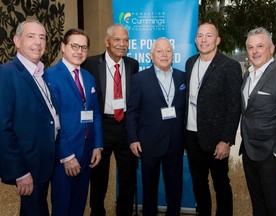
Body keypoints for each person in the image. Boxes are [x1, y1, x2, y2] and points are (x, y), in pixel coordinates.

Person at [0, 20, 60, 216]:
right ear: (17, 41)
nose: (38, 42)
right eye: (31, 36)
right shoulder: (7, 74)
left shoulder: (39, 73)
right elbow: (3, 128)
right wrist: (20, 171)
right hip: (28, 166)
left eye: (42, 37)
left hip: (44, 161)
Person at [185, 22, 242, 216]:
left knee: (220, 184)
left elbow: (235, 107)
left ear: (217, 40)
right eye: (200, 35)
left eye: (209, 35)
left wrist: (226, 140)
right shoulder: (190, 63)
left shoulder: (230, 66)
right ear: (195, 40)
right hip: (192, 135)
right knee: (199, 183)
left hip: (217, 139)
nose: (204, 40)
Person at [44, 28, 104, 216]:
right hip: (66, 155)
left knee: (79, 204)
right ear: (63, 47)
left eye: (84, 48)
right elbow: (52, 121)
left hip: (87, 151)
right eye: (74, 46)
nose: (79, 51)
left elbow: (94, 113)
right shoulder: (50, 76)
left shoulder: (88, 77)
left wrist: (97, 145)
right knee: (62, 206)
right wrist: (67, 155)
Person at [82, 23, 139, 216]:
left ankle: (124, 211)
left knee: (127, 177)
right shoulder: (90, 64)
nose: (122, 44)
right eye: (117, 39)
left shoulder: (132, 65)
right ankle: (97, 211)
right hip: (101, 126)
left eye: (125, 40)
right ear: (107, 41)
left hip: (125, 127)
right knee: (98, 176)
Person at [126, 37, 186, 216]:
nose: (164, 54)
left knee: (175, 187)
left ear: (173, 55)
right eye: (159, 51)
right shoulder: (139, 79)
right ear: (151, 55)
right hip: (149, 143)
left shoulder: (182, 77)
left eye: (168, 51)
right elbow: (132, 112)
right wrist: (133, 139)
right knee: (149, 188)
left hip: (175, 143)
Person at [240, 27, 276, 216]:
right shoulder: (247, 75)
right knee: (258, 207)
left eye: (260, 46)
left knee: (275, 208)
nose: (255, 51)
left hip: (270, 156)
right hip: (249, 153)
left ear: (272, 48)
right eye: (250, 47)